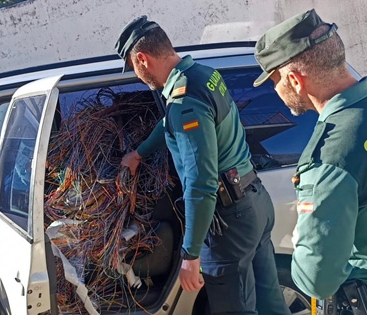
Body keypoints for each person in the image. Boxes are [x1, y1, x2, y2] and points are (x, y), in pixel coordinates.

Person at [115, 16, 290, 315]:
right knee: (271, 303)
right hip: (255, 202)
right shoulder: (202, 76)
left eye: (134, 68)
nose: (138, 76)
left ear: (142, 59)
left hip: (229, 222)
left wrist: (190, 255)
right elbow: (171, 121)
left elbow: (201, 183)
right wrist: (140, 153)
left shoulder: (184, 101)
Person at [253, 9, 367, 314]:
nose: (275, 90)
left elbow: (317, 281)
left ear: (294, 80)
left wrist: (301, 238)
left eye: (274, 81)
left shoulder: (329, 158)